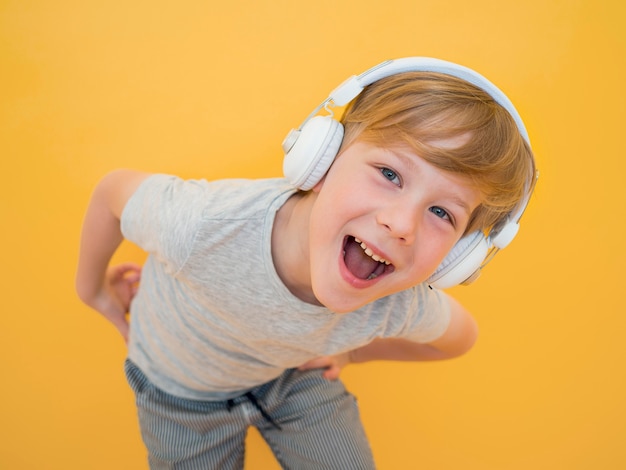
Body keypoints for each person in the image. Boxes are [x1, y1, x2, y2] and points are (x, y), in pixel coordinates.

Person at [76, 57, 536, 469]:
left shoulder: (398, 303)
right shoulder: (203, 224)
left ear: (459, 257)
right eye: (390, 174)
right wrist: (91, 289)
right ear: (320, 162)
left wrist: (352, 352)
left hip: (291, 378)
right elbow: (112, 191)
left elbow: (460, 338)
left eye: (442, 213)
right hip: (178, 393)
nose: (402, 225)